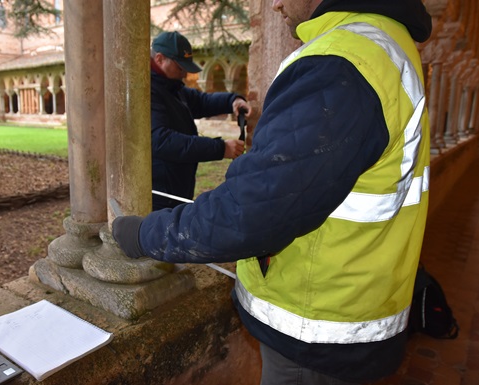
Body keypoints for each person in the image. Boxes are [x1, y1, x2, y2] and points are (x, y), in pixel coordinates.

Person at [114, 0, 432, 383]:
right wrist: (218, 145)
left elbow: (251, 211)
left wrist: (143, 235)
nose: (275, 4)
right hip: (351, 300)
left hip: (316, 325)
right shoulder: (384, 46)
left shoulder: (342, 64)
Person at [149, 31, 252, 210]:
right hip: (160, 195)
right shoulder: (148, 90)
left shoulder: (171, 86)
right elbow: (161, 141)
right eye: (180, 67)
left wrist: (232, 101)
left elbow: (201, 101)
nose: (185, 74)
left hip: (176, 187)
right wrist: (221, 148)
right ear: (159, 59)